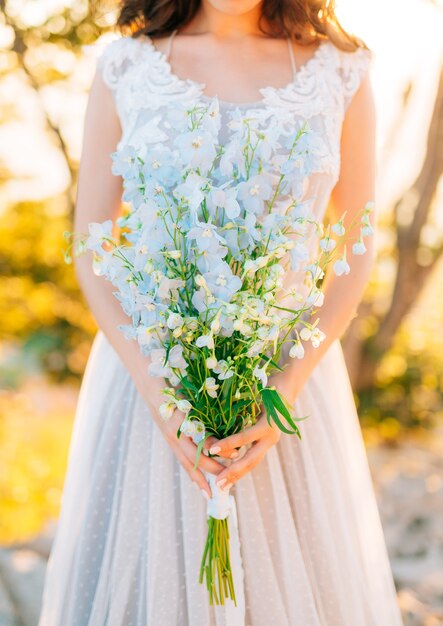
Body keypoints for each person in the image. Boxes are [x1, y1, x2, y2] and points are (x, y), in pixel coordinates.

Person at [38, 1, 404, 624]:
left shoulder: (341, 70)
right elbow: (92, 249)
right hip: (152, 385)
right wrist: (162, 398)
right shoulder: (126, 65)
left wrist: (283, 388)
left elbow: (358, 247)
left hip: (286, 390)